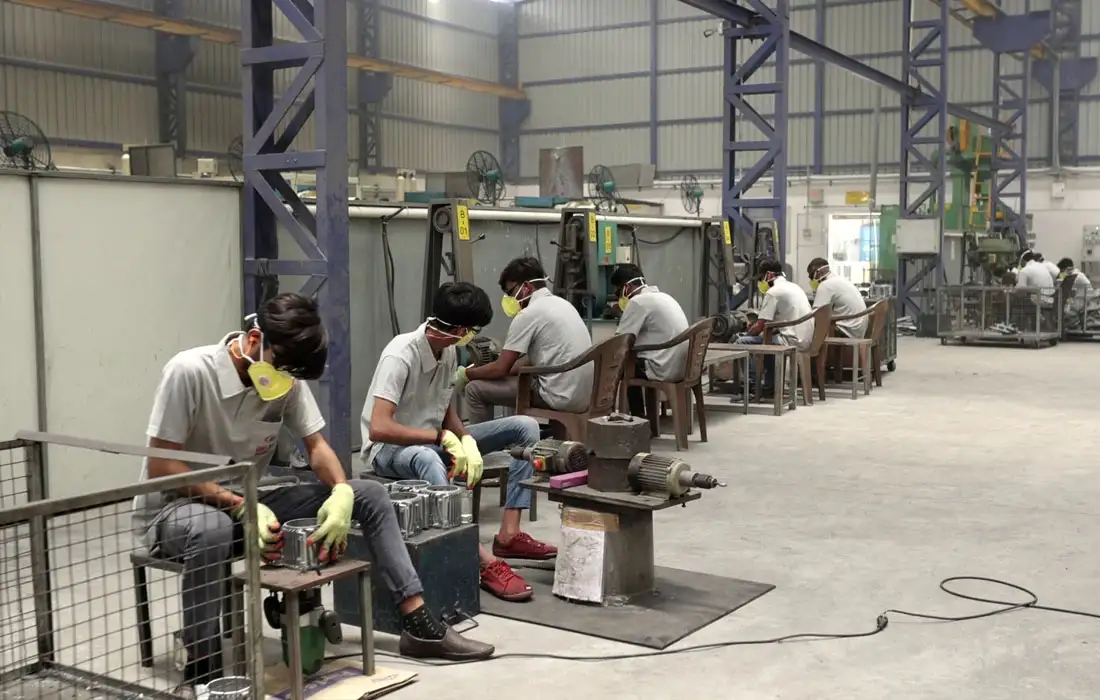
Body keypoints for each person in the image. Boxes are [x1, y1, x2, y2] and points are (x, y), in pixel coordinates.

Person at [132, 294, 493, 695]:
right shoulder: (189, 372)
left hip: (249, 501)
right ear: (255, 340)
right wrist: (238, 505)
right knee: (212, 529)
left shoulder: (284, 376)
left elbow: (316, 445)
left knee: (370, 494)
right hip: (178, 509)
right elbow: (161, 466)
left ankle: (418, 623)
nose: (285, 382)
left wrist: (341, 491)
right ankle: (203, 669)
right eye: (282, 371)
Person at [362, 282, 556, 603]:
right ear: (460, 330)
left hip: (435, 440)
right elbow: (379, 428)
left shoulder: (449, 351)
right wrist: (441, 438)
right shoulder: (400, 354)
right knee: (427, 458)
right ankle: (479, 559)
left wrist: (465, 439)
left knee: (525, 427)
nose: (472, 336)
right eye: (472, 330)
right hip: (391, 450)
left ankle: (509, 534)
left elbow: (445, 408)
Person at [458, 257, 593, 424]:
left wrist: (466, 374)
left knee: (474, 389)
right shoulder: (563, 305)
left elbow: (500, 369)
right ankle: (512, 432)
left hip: (558, 396)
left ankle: (482, 438)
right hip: (583, 395)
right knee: (515, 379)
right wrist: (500, 368)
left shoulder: (528, 314)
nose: (509, 299)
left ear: (527, 287)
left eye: (510, 293)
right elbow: (529, 360)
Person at [609, 263, 690, 417]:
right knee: (631, 362)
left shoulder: (638, 302)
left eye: (618, 291)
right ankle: (646, 420)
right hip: (682, 365)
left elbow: (619, 342)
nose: (618, 296)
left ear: (628, 287)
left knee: (620, 367)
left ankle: (636, 419)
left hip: (663, 367)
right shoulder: (664, 297)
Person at [735, 259, 814, 392]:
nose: (760, 282)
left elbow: (760, 326)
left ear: (769, 275)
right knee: (768, 339)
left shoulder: (773, 292)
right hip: (805, 338)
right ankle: (770, 386)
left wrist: (746, 334)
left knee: (742, 342)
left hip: (791, 340)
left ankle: (752, 386)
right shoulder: (794, 286)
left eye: (761, 278)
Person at [806, 258, 867, 338]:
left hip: (846, 332)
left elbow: (817, 314)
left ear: (819, 272)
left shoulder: (825, 285)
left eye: (811, 276)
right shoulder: (839, 279)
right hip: (857, 330)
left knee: (810, 330)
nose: (811, 280)